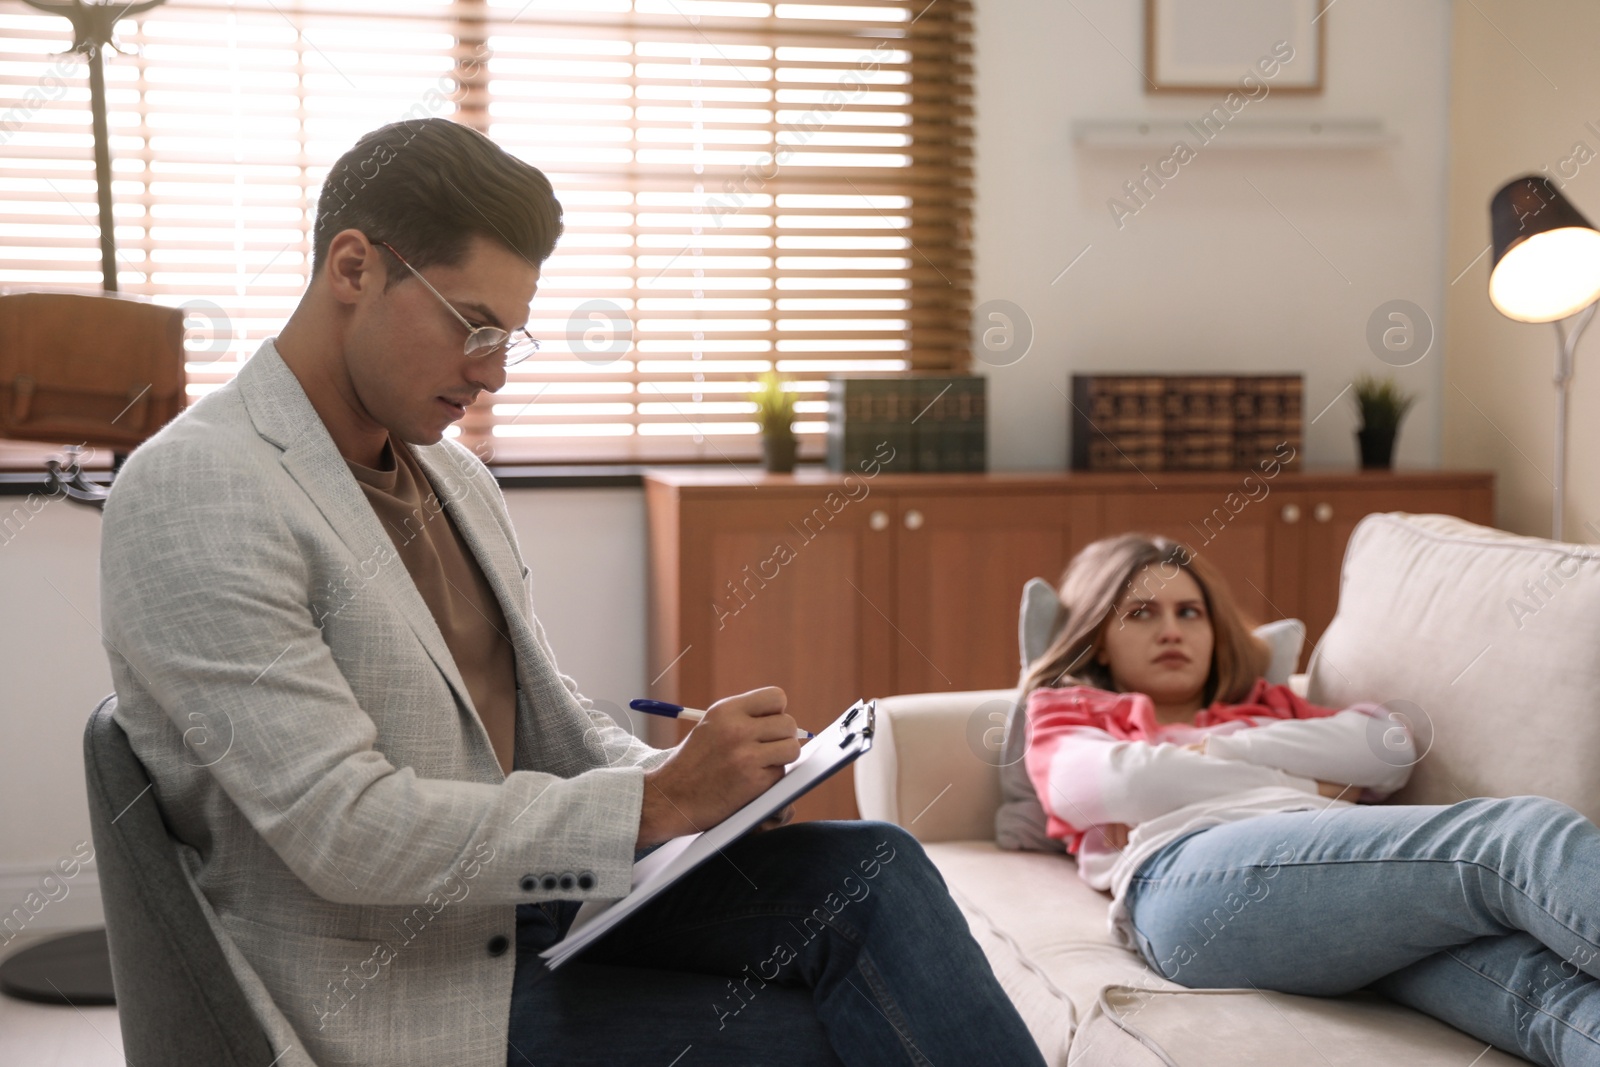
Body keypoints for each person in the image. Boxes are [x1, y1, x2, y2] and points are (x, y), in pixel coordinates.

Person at [98, 117, 1044, 1067]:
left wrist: (706, 789)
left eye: (510, 336)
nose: (491, 373)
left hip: (534, 908)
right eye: (472, 326)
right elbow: (344, 830)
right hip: (405, 987)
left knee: (874, 867)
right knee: (828, 1038)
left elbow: (553, 730)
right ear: (354, 269)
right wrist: (656, 804)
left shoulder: (454, 479)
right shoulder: (199, 486)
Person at [1019, 532, 1600, 1067]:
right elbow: (1129, 784)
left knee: (1546, 997)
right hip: (1186, 876)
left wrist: (1206, 749)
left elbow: (1389, 749)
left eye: (1188, 612)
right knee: (1516, 837)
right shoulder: (1068, 713)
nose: (1171, 630)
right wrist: (1309, 781)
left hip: (1332, 896)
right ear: (1098, 638)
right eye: (1141, 613)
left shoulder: (1270, 703)